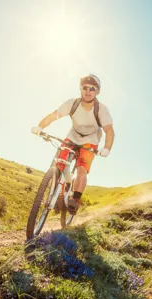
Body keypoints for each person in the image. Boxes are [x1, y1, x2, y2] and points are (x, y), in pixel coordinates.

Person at [32, 74, 114, 214]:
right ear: (80, 89)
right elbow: (54, 115)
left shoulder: (101, 109)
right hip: (72, 136)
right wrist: (40, 127)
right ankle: (58, 191)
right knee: (60, 163)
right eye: (85, 87)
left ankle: (75, 200)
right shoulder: (72, 103)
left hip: (91, 140)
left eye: (92, 89)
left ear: (97, 92)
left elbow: (109, 131)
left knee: (82, 169)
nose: (88, 91)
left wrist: (106, 148)